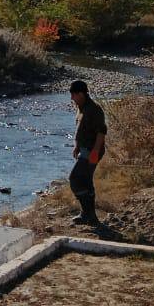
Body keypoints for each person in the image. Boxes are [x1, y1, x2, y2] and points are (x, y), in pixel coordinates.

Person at [68, 79, 106, 226]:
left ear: (82, 94)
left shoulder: (94, 109)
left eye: (74, 95)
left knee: (75, 179)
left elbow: (102, 132)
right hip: (84, 149)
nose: (72, 98)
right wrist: (76, 146)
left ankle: (88, 214)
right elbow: (80, 130)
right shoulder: (81, 107)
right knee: (86, 181)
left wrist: (95, 152)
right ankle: (90, 216)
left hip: (92, 151)